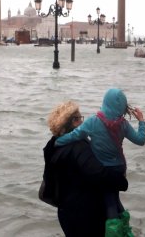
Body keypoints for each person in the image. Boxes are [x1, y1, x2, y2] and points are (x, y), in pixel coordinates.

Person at [55, 89, 145, 229]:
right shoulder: (123, 124)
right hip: (119, 168)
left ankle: (114, 231)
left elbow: (75, 135)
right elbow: (140, 140)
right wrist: (141, 121)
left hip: (104, 170)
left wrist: (57, 142)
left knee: (109, 201)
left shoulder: (93, 121)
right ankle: (125, 227)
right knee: (115, 198)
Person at [43, 101, 129, 237]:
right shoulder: (78, 147)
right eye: (77, 119)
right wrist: (122, 182)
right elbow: (99, 174)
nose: (82, 123)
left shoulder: (52, 145)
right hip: (85, 214)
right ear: (69, 123)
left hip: (65, 211)